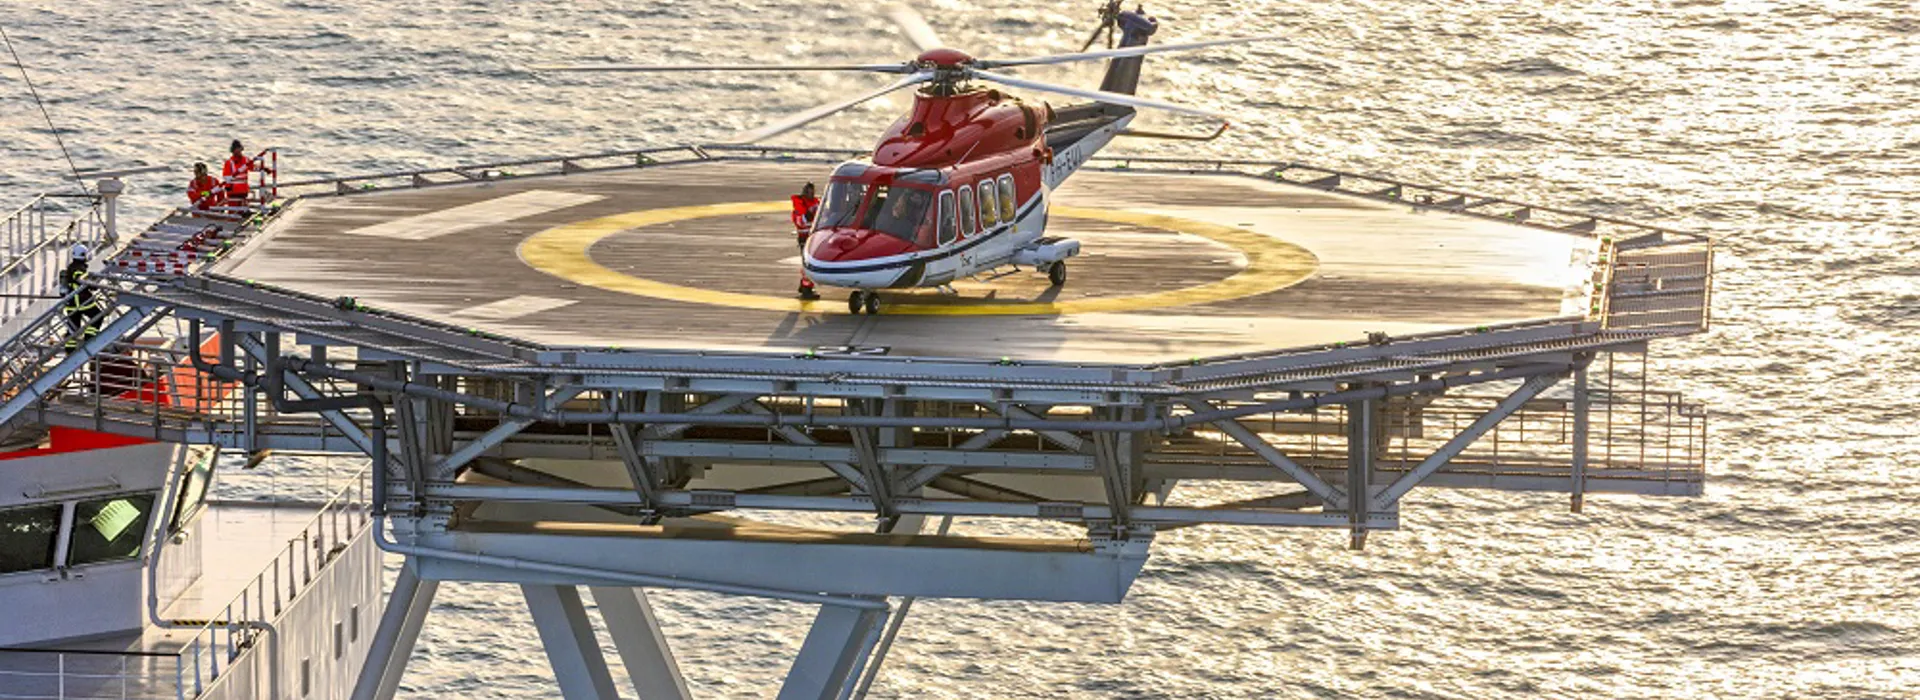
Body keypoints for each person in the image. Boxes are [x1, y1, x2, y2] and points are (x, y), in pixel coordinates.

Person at [61, 244, 104, 352]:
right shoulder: (78, 268)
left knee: (73, 328)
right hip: (82, 302)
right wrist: (93, 284)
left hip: (71, 303)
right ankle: (89, 338)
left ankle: (69, 350)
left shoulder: (71, 266)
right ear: (84, 255)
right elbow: (79, 278)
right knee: (98, 316)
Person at [221, 139, 273, 208]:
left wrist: (264, 168)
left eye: (239, 149)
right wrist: (228, 186)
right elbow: (226, 177)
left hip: (243, 190)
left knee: (243, 209)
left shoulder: (246, 160)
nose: (237, 151)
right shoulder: (229, 162)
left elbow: (253, 167)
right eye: (235, 149)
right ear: (233, 151)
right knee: (233, 210)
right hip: (233, 191)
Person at [791, 182, 821, 300]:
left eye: (812, 191)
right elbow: (800, 222)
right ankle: (806, 289)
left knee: (806, 263)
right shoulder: (800, 206)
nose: (811, 194)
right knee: (807, 265)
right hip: (805, 238)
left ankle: (804, 285)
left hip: (813, 237)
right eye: (809, 191)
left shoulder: (816, 203)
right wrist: (810, 214)